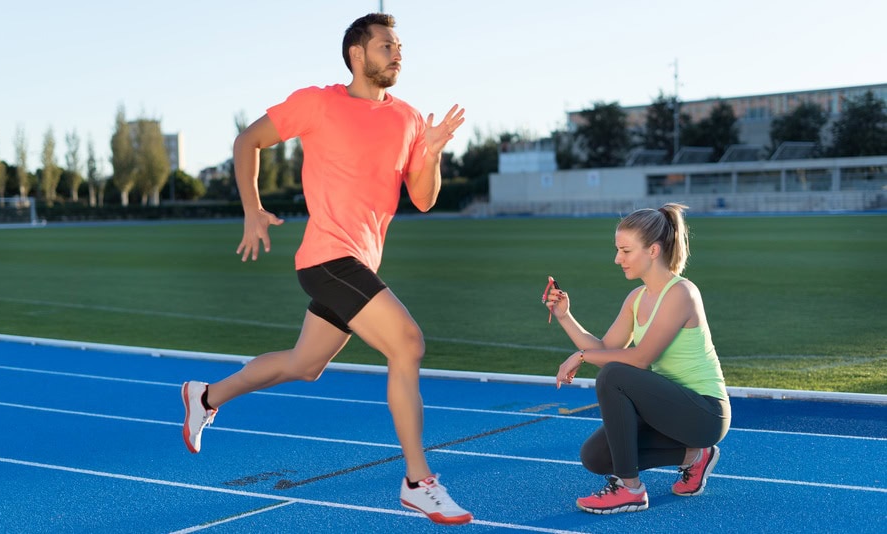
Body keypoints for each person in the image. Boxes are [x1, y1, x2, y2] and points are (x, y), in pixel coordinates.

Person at [180, 13, 471, 525]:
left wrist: (431, 153)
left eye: (399, 47)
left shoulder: (407, 118)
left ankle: (206, 395)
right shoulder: (318, 103)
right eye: (386, 46)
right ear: (357, 55)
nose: (397, 55)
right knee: (407, 342)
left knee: (303, 365)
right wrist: (252, 209)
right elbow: (247, 141)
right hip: (327, 257)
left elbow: (423, 199)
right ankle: (417, 481)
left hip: (359, 260)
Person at [543, 203, 731, 514]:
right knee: (595, 457)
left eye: (626, 251)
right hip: (668, 411)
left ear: (653, 250)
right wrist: (565, 317)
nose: (617, 259)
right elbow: (604, 348)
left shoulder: (681, 293)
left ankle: (629, 489)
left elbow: (641, 359)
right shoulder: (636, 298)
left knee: (613, 376)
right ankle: (695, 457)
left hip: (705, 413)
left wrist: (581, 356)